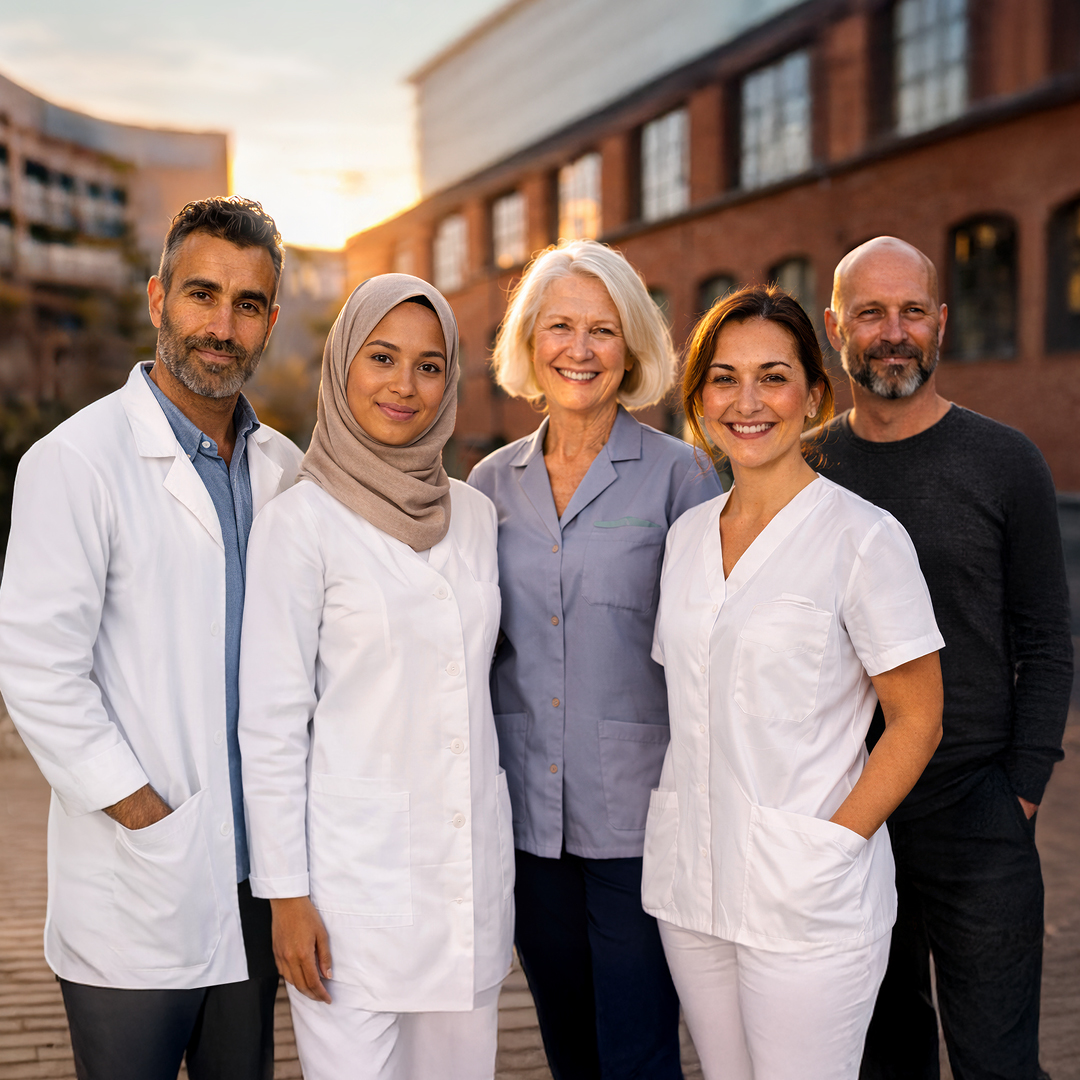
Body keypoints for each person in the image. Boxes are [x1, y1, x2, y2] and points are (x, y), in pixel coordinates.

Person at [0, 196, 303, 1080]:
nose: (222, 324)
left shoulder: (283, 470)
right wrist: (146, 816)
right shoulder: (76, 460)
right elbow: (38, 671)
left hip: (257, 881)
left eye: (247, 304)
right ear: (157, 298)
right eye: (202, 294)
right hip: (141, 875)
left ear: (271, 322)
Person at [644, 284, 945, 1080]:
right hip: (695, 884)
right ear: (700, 397)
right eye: (724, 377)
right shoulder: (684, 538)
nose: (748, 402)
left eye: (773, 377)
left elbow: (918, 720)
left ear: (814, 394)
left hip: (806, 894)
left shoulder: (864, 539)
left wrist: (832, 845)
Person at [238, 274, 513, 1080]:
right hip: (351, 894)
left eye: (430, 366)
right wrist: (286, 896)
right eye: (382, 357)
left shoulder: (475, 515)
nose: (405, 384)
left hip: (465, 884)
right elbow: (272, 725)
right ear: (342, 366)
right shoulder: (300, 522)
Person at [814, 236, 1073, 1080]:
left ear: (941, 323)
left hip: (979, 810)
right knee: (885, 1059)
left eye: (912, 311)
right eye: (871, 312)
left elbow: (1046, 638)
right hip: (854, 813)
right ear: (835, 327)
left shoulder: (1005, 462)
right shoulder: (807, 466)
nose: (894, 332)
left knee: (999, 1064)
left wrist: (1022, 791)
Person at [468, 239, 722, 1079]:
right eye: (561, 326)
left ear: (633, 346)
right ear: (530, 342)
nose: (580, 349)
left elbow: (714, 647)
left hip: (639, 821)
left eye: (603, 330)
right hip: (527, 818)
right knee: (568, 1046)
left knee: (641, 1051)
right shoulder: (487, 486)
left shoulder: (681, 476)